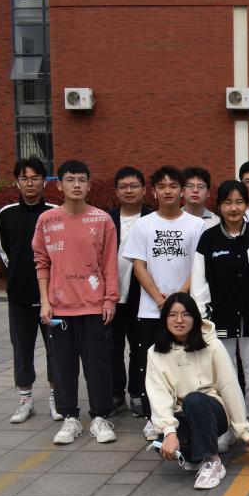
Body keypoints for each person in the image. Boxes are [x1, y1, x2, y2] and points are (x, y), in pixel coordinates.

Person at [32, 160, 119, 445]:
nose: (76, 185)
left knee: (98, 365)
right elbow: (41, 262)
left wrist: (110, 300)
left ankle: (100, 417)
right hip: (59, 307)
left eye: (82, 179)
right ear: (59, 185)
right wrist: (45, 301)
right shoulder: (47, 220)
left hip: (94, 305)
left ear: (90, 185)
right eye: (70, 179)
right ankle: (70, 417)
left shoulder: (102, 220)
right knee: (63, 365)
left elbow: (109, 264)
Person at [121, 165, 206, 440]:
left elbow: (198, 266)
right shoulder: (143, 225)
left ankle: (183, 415)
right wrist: (159, 298)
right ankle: (153, 418)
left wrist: (178, 300)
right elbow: (139, 266)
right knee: (153, 366)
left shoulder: (197, 225)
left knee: (186, 363)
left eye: (173, 186)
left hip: (187, 309)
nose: (168, 191)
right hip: (150, 309)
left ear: (182, 190)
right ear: (153, 191)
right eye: (162, 186)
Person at [146, 293, 249, 490]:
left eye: (186, 314)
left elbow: (229, 386)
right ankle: (196, 457)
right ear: (164, 319)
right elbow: (158, 395)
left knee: (194, 400)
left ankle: (213, 462)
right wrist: (169, 432)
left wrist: (243, 431)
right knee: (162, 443)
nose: (179, 320)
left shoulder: (212, 345)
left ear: (195, 318)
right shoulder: (155, 353)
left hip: (213, 410)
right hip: (183, 413)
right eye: (173, 315)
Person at [191, 179, 249, 428]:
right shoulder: (209, 239)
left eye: (239, 202)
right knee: (225, 376)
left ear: (247, 204)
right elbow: (198, 283)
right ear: (219, 205)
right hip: (220, 319)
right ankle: (229, 425)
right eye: (228, 202)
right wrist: (204, 318)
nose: (234, 208)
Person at [0, 157, 58, 423]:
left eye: (35, 178)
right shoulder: (6, 214)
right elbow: (4, 252)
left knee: (56, 349)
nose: (30, 183)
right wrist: (19, 273)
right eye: (25, 178)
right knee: (22, 349)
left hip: (54, 297)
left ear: (44, 181)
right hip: (19, 296)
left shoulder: (55, 212)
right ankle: (25, 399)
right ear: (17, 182)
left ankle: (57, 397)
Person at [109, 166, 153, 417]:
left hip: (142, 296)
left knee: (140, 347)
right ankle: (116, 394)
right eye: (123, 186)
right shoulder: (106, 219)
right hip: (112, 296)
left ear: (144, 189)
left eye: (134, 186)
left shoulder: (152, 219)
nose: (129, 190)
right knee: (112, 347)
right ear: (116, 191)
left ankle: (137, 393)